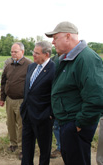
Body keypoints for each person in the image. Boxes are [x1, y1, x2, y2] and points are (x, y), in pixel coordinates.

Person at [45, 21, 103, 165]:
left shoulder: (86, 59)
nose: (52, 42)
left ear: (68, 36)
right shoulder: (64, 58)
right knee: (70, 158)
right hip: (67, 121)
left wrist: (80, 123)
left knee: (78, 160)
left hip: (76, 123)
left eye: (55, 37)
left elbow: (96, 96)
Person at [20, 41, 55, 165]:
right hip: (28, 114)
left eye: (37, 53)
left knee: (44, 148)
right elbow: (27, 90)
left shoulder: (54, 69)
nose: (33, 55)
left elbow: (54, 95)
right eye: (33, 52)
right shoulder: (32, 66)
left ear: (46, 54)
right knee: (26, 146)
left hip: (43, 117)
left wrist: (50, 114)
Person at [0, 42, 32, 160]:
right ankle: (13, 144)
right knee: (10, 123)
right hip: (9, 100)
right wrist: (2, 98)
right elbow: (4, 82)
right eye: (12, 52)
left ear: (22, 52)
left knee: (22, 125)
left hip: (22, 100)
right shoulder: (9, 65)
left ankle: (23, 148)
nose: (13, 54)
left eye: (16, 52)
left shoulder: (29, 65)